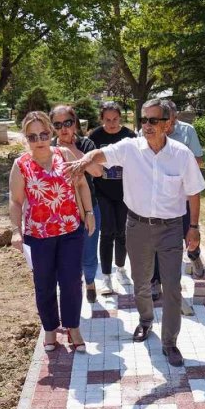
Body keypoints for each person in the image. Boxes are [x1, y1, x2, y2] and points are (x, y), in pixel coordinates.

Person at [66, 99, 205, 366]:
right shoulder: (130, 147)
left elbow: (193, 192)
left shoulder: (181, 154)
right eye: (144, 120)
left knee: (172, 286)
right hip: (137, 226)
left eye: (154, 120)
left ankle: (170, 342)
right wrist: (84, 160)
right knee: (141, 281)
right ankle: (145, 320)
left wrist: (194, 228)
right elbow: (101, 155)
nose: (147, 126)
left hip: (170, 228)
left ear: (167, 124)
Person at [9, 111, 96, 352]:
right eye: (32, 136)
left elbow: (81, 184)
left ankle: (73, 327)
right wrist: (16, 231)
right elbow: (16, 201)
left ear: (51, 132)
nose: (39, 140)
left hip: (70, 231)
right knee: (44, 284)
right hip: (38, 236)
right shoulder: (21, 165)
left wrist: (88, 214)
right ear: (26, 138)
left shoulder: (65, 154)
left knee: (71, 281)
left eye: (44, 134)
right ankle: (49, 330)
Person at [146, 99, 205, 300]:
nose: (166, 126)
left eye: (169, 121)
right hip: (157, 199)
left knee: (189, 233)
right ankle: (155, 281)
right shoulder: (147, 130)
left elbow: (198, 160)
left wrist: (177, 161)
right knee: (155, 241)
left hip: (184, 196)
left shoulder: (187, 132)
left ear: (174, 118)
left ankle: (194, 256)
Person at [50, 105, 100, 303]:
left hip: (89, 207)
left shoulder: (86, 145)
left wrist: (73, 152)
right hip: (61, 211)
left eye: (68, 123)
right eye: (58, 124)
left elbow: (97, 171)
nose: (64, 129)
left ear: (75, 124)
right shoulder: (48, 147)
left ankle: (90, 282)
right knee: (67, 259)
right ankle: (74, 289)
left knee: (88, 255)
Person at [88, 101, 136, 295]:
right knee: (107, 232)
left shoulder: (130, 136)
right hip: (102, 192)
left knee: (122, 233)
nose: (111, 123)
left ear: (120, 118)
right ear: (102, 119)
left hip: (125, 192)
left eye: (115, 119)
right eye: (107, 120)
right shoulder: (95, 136)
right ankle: (106, 277)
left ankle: (121, 269)